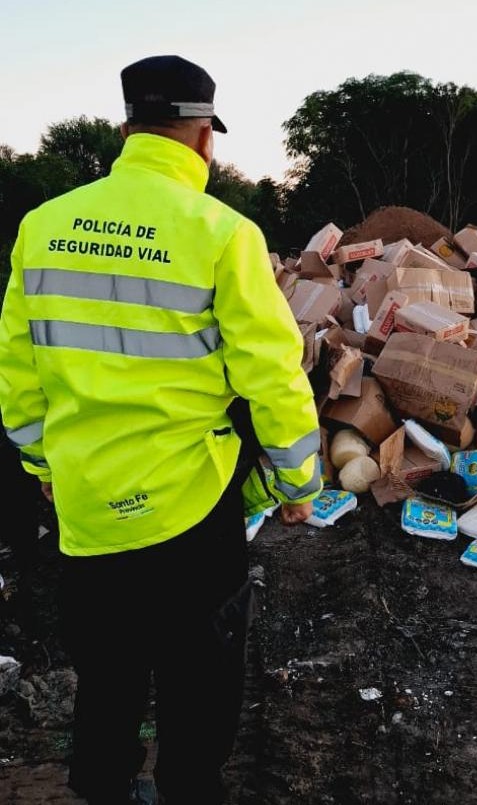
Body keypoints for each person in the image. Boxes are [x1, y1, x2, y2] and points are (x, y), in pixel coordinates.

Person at [0, 54, 322, 804]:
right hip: (191, 510)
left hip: (86, 506)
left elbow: (17, 376)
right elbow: (272, 376)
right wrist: (297, 481)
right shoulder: (222, 233)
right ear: (203, 136)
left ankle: (105, 788)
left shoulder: (42, 228)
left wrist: (46, 466)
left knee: (107, 673)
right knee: (198, 686)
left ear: (126, 128)